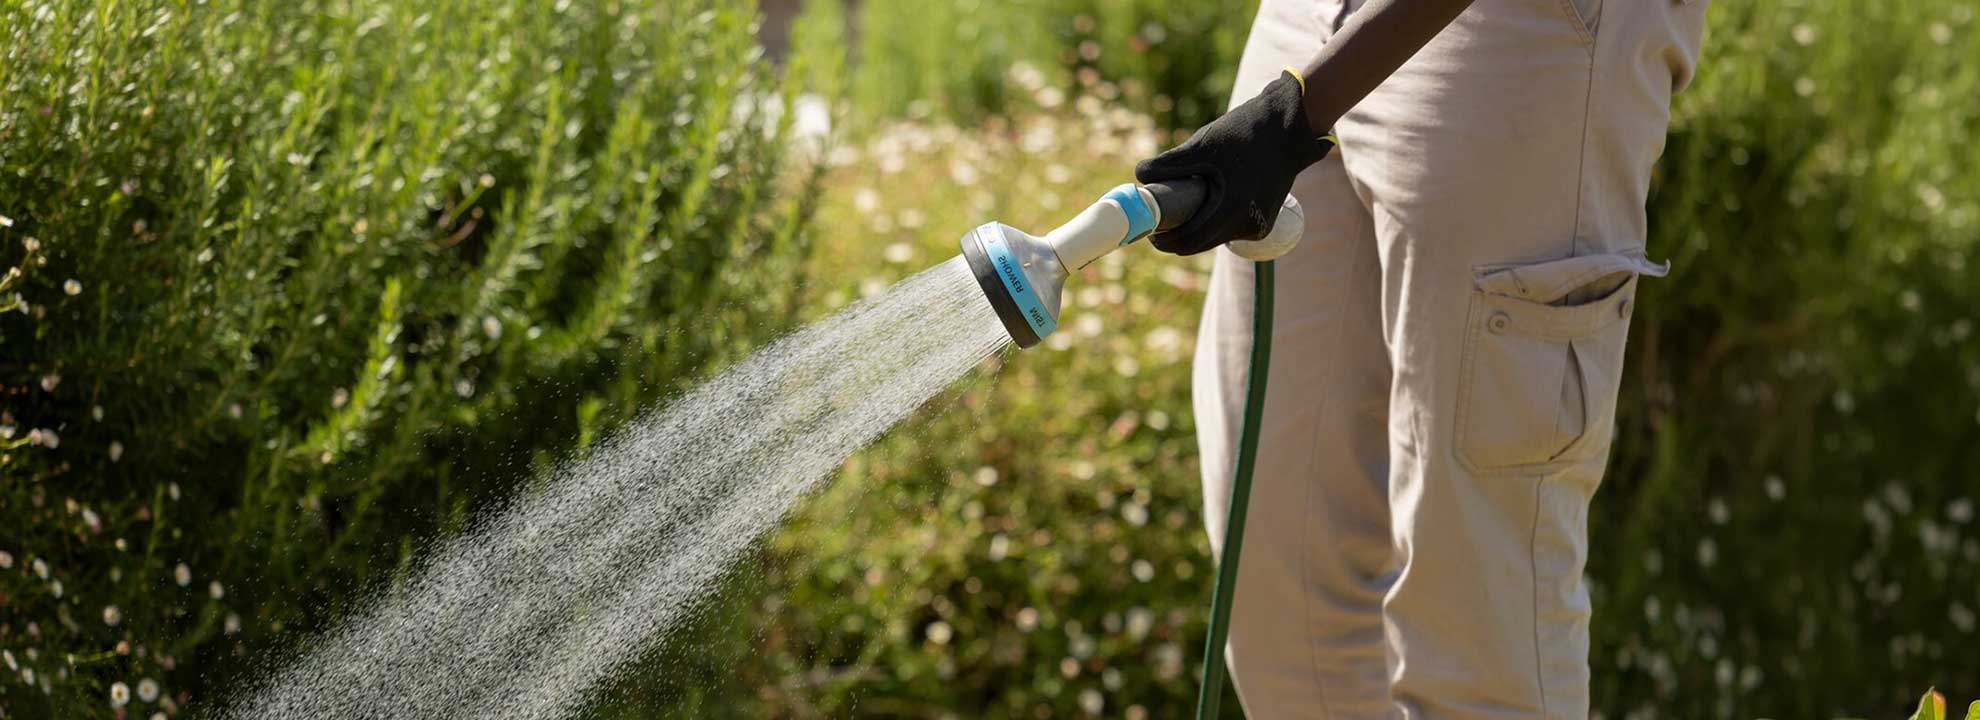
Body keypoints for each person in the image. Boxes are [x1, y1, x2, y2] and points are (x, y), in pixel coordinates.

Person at [1133, 0, 1708, 717]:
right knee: (1281, 604)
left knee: (1474, 635)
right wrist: (1296, 106)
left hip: (1522, 33)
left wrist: (1297, 112)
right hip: (1307, 25)